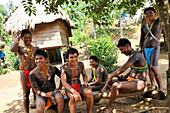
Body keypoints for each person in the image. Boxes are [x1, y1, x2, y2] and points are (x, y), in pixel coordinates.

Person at [102, 39, 148, 113]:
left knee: (115, 85)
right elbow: (132, 70)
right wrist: (124, 77)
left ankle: (108, 107)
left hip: (140, 83)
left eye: (122, 49)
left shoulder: (136, 55)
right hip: (132, 80)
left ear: (127, 46)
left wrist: (111, 76)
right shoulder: (133, 55)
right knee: (111, 82)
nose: (121, 52)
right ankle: (100, 95)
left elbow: (123, 68)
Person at [10, 29, 39, 113]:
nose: (28, 39)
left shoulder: (36, 48)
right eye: (25, 38)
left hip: (34, 72)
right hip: (24, 73)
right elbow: (12, 49)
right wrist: (17, 38)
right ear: (22, 38)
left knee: (36, 92)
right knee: (25, 94)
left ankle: (38, 109)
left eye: (29, 37)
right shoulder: (19, 48)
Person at [60, 48, 93, 113]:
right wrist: (74, 92)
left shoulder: (80, 64)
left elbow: (84, 75)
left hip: (79, 85)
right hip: (69, 88)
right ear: (67, 58)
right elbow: (63, 82)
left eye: (76, 57)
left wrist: (85, 81)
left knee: (89, 93)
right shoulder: (64, 67)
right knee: (72, 97)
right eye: (71, 57)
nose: (74, 59)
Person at [139, 7, 163, 91]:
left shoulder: (158, 22)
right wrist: (140, 48)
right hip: (145, 49)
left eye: (150, 13)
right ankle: (153, 85)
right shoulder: (143, 26)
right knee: (149, 68)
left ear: (155, 14)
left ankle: (160, 87)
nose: (149, 15)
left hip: (155, 48)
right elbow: (141, 38)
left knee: (153, 66)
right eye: (147, 13)